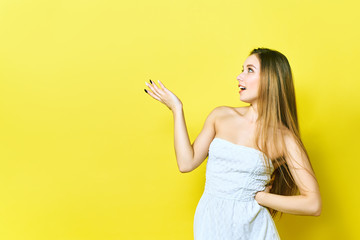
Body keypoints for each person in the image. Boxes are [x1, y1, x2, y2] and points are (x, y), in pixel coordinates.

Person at [144, 47, 322, 239]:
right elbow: (186, 163)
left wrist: (262, 198)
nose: (239, 76)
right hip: (210, 222)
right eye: (242, 69)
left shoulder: (284, 138)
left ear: (271, 79)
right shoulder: (220, 116)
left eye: (250, 70)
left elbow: (313, 204)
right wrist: (177, 109)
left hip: (254, 229)